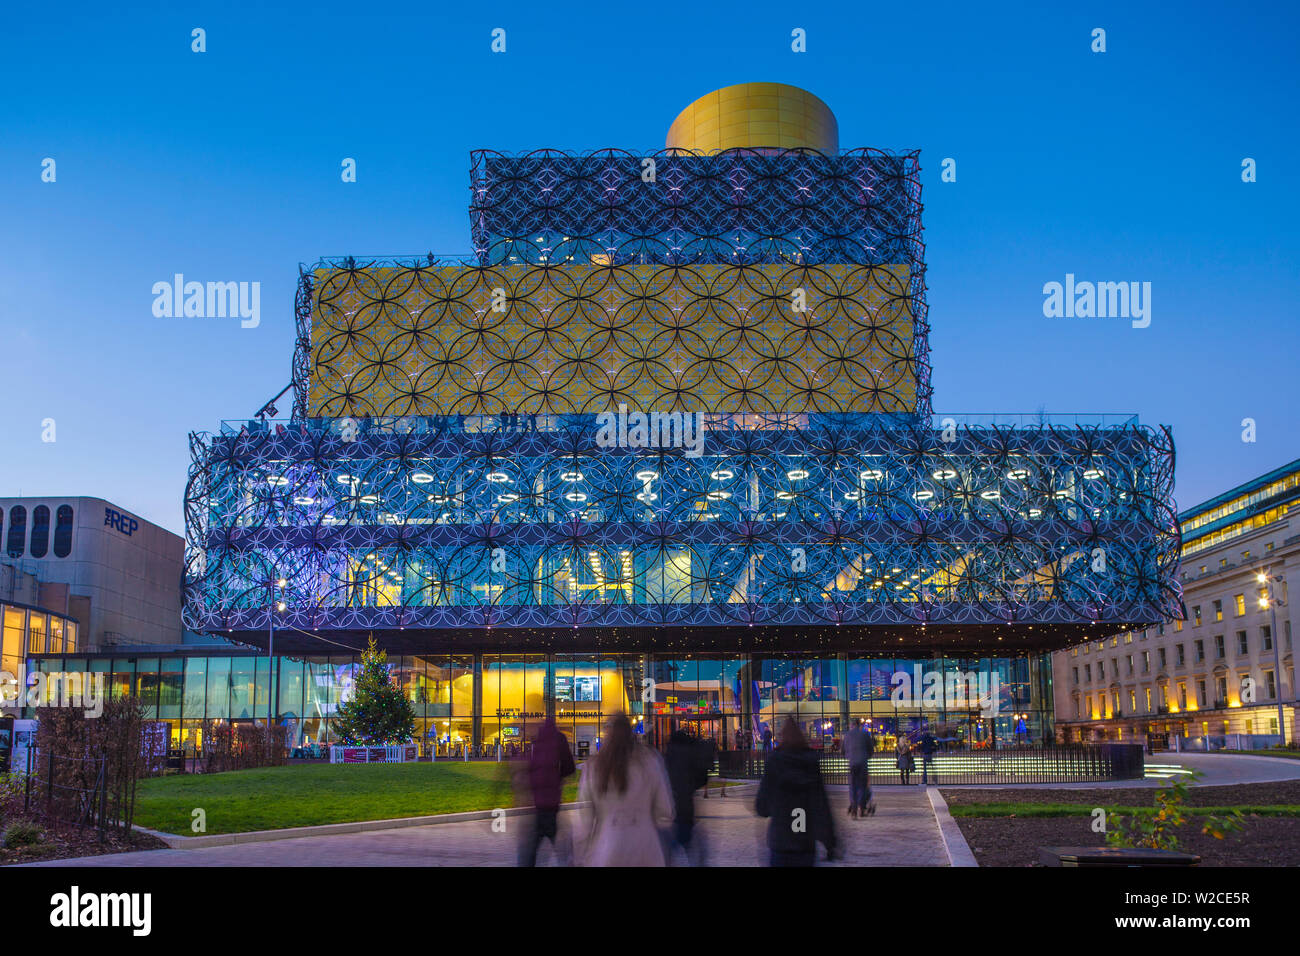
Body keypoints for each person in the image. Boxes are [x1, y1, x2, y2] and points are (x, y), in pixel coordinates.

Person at [577, 713, 674, 866]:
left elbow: (584, 822)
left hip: (607, 850)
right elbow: (665, 811)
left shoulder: (594, 767)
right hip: (645, 849)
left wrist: (580, 856)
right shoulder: (650, 761)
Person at [755, 718, 838, 867]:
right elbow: (822, 806)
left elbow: (762, 807)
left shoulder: (775, 762)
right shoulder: (811, 762)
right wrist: (829, 841)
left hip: (781, 842)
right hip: (804, 842)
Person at [518, 716, 576, 866]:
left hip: (537, 803)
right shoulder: (559, 739)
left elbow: (530, 769)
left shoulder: (536, 741)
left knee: (531, 850)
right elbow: (569, 767)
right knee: (561, 847)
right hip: (552, 802)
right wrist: (558, 777)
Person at [664, 728, 711, 864]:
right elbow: (702, 778)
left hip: (668, 812)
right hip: (686, 810)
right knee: (691, 848)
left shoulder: (666, 757)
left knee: (668, 851)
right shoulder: (690, 756)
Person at [842, 718, 876, 818]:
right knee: (862, 785)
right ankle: (861, 808)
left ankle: (854, 808)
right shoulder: (865, 734)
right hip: (862, 763)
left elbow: (843, 751)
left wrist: (849, 756)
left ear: (851, 725)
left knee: (852, 786)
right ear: (859, 725)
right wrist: (866, 756)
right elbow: (871, 749)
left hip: (852, 763)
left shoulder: (847, 735)